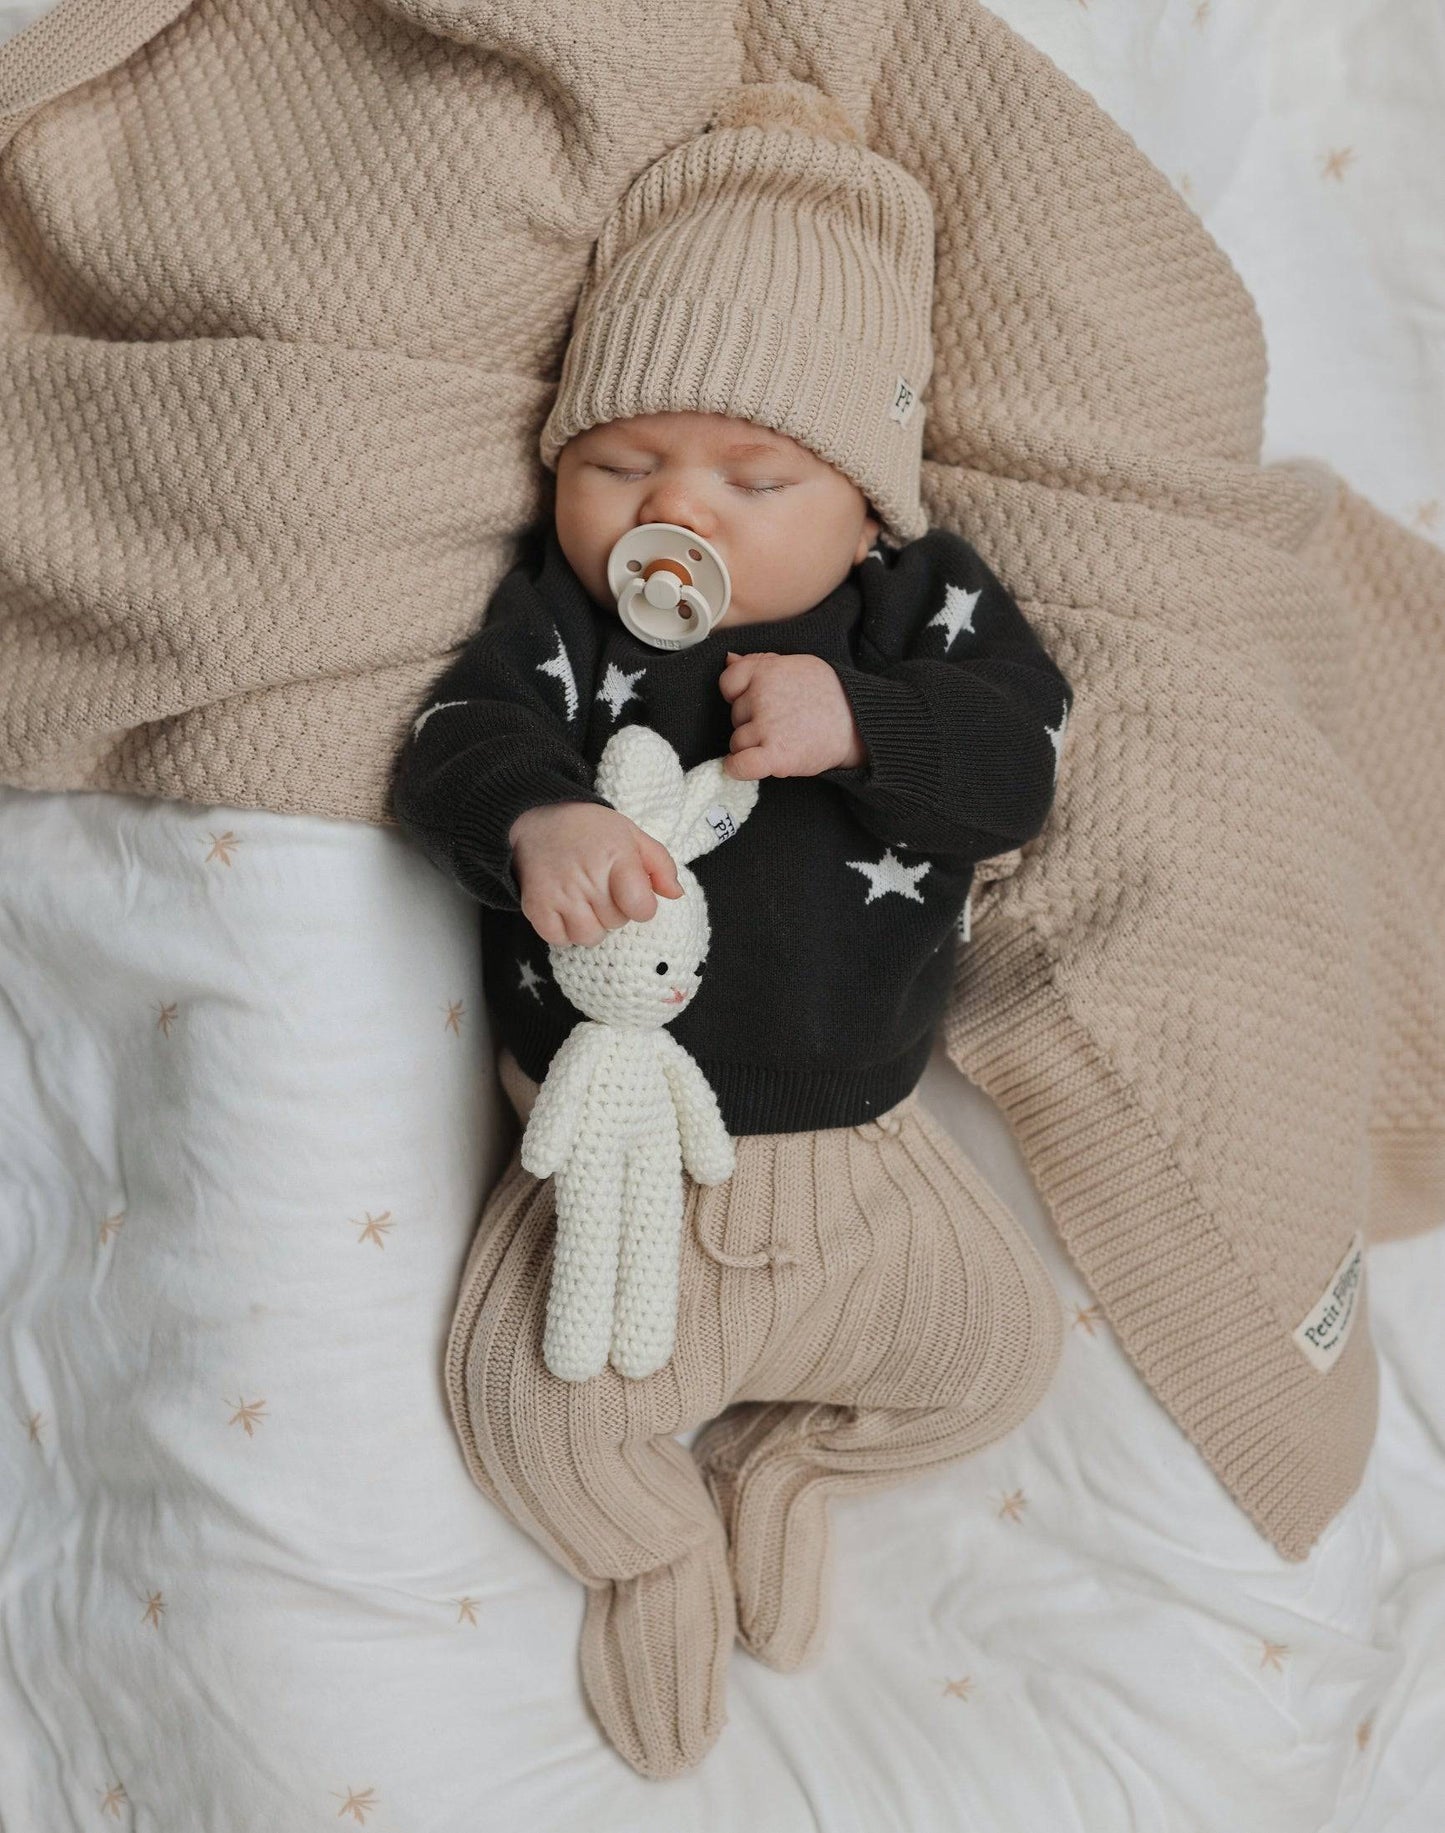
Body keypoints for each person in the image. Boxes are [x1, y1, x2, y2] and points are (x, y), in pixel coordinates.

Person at [389, 81, 1074, 1780]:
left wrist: (867, 726)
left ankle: (784, 1465)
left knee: (995, 1362)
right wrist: (537, 819)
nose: (673, 511)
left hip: (868, 1161)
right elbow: (452, 742)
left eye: (755, 475)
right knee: (524, 1418)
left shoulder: (915, 605)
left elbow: (1019, 766)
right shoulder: (560, 624)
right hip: (611, 1176)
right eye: (619, 464)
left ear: (864, 502)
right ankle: (650, 1549)